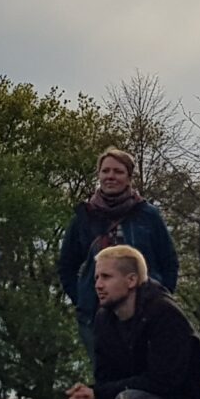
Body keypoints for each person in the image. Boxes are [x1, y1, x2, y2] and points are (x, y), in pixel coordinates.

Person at [53, 246, 200, 399]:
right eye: (96, 278)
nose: (98, 285)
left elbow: (164, 381)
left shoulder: (165, 314)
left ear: (131, 280)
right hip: (124, 397)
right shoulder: (104, 319)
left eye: (106, 277)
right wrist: (91, 394)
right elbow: (105, 377)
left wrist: (101, 394)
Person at [58, 149, 181, 357]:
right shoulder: (85, 217)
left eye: (118, 171)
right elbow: (66, 265)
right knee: (106, 379)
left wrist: (161, 298)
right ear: (98, 175)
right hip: (96, 314)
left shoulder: (148, 215)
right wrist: (82, 298)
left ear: (129, 177)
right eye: (105, 171)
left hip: (145, 312)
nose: (111, 176)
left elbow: (169, 261)